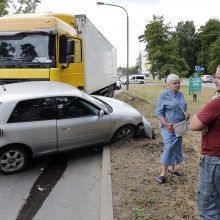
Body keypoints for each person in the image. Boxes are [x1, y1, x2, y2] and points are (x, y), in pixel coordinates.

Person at [189, 65, 220, 220]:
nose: (215, 80)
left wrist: (212, 103)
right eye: (215, 77)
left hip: (215, 161)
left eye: (219, 77)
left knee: (209, 210)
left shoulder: (216, 104)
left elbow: (193, 124)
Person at [155, 74, 190, 183]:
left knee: (175, 147)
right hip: (168, 127)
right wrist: (166, 125)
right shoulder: (163, 95)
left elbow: (183, 108)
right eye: (175, 83)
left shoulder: (181, 95)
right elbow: (159, 113)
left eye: (179, 82)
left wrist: (186, 114)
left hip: (179, 127)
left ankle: (172, 168)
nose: (178, 85)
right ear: (168, 85)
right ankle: (163, 173)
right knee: (169, 147)